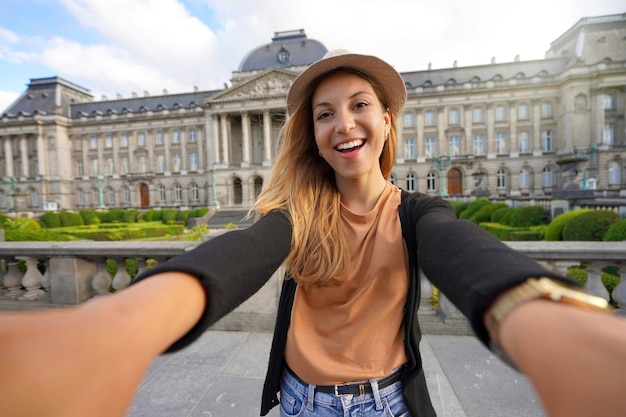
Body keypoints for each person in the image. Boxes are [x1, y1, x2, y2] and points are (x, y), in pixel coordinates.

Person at [1, 50, 626, 417]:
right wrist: (121, 324)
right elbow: (235, 257)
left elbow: (466, 256)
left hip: (389, 404)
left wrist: (553, 324)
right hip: (299, 402)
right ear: (310, 134)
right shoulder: (293, 216)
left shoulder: (419, 213)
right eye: (323, 113)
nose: (342, 123)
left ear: (387, 120)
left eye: (359, 105)